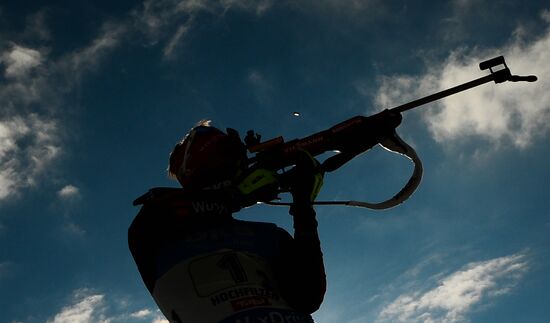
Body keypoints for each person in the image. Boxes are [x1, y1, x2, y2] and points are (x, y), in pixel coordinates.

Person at [129, 120, 327, 323]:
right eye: (221, 156)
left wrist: (304, 207)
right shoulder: (157, 230)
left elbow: (308, 297)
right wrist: (233, 196)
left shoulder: (271, 235)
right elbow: (158, 214)